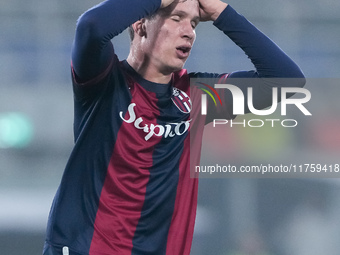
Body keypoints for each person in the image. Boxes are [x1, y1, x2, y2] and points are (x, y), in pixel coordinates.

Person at [43, 0, 305, 254]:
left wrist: (221, 13)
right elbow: (91, 26)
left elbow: (288, 81)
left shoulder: (197, 96)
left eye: (194, 24)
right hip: (85, 247)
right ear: (140, 25)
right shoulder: (103, 79)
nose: (189, 32)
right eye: (176, 18)